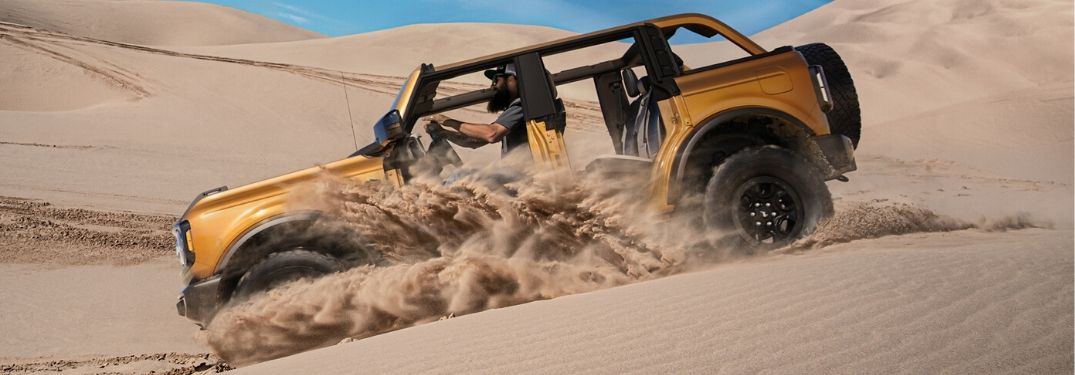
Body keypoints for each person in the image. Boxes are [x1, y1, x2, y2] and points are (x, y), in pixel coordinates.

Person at [426, 63, 528, 155]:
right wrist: (444, 133)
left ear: (512, 79)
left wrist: (446, 121)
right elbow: (474, 141)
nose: (493, 86)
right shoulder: (513, 113)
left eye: (496, 80)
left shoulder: (522, 106)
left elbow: (492, 134)